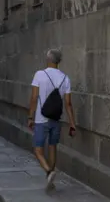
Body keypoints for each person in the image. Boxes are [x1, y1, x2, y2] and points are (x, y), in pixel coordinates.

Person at [27, 48, 76, 191]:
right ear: (58, 62)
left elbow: (34, 98)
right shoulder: (65, 78)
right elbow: (68, 103)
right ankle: (51, 180)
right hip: (56, 118)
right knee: (53, 146)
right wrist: (72, 123)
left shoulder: (39, 75)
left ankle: (49, 172)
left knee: (38, 150)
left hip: (41, 118)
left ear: (48, 60)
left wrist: (30, 116)